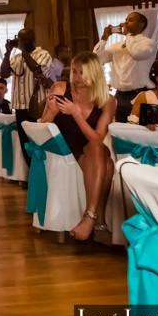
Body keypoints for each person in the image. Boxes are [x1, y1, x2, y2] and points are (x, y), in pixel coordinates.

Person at [41, 52, 116, 242]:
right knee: (107, 165)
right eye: (74, 72)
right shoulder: (59, 88)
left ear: (95, 74)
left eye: (83, 73)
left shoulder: (108, 100)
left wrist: (76, 114)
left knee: (97, 149)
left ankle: (90, 217)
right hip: (64, 147)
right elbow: (42, 126)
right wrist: (50, 113)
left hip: (90, 146)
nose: (77, 77)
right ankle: (98, 221)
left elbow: (97, 138)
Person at [0, 27, 53, 165]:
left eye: (24, 39)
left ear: (33, 40)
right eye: (20, 38)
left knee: (39, 142)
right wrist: (7, 53)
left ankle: (41, 175)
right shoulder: (16, 58)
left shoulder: (43, 54)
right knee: (25, 143)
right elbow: (4, 74)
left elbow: (37, 71)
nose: (21, 42)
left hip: (37, 107)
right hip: (20, 107)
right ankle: (32, 176)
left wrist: (23, 52)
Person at [93, 11, 158, 122]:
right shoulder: (117, 46)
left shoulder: (149, 43)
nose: (126, 23)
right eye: (126, 20)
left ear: (141, 25)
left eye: (131, 20)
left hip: (143, 94)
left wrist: (128, 35)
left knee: (146, 132)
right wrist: (104, 38)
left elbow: (136, 53)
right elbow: (97, 59)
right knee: (122, 131)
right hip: (120, 96)